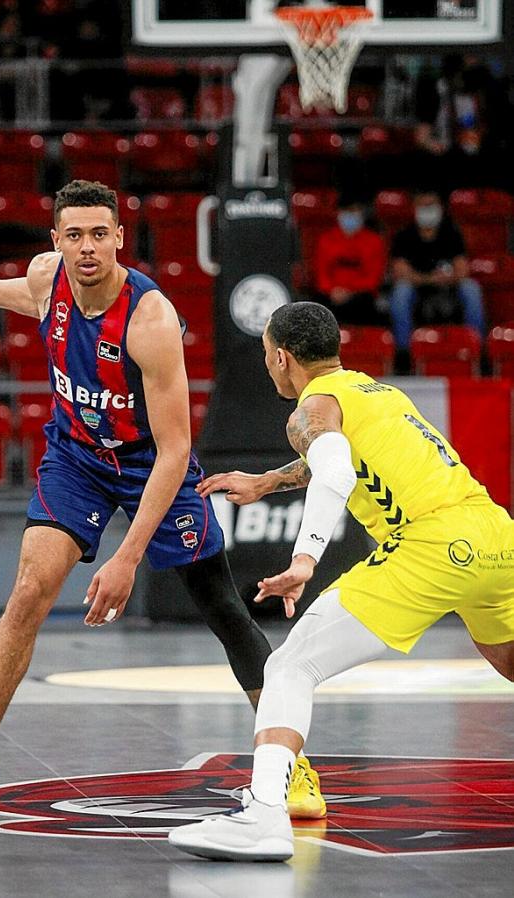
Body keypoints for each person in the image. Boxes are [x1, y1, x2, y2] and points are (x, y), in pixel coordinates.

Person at [0, 180, 324, 828]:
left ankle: (290, 760)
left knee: (224, 609)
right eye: (74, 235)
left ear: (119, 238)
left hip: (150, 464)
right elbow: (26, 296)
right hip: (77, 458)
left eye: (98, 234)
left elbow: (175, 453)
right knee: (29, 591)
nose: (86, 247)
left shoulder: (149, 320)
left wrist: (126, 558)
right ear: (56, 241)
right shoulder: (46, 279)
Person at [168, 301, 514, 861]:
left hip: (432, 547)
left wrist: (304, 560)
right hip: (497, 535)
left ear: (281, 357)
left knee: (289, 666)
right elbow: (332, 456)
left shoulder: (308, 408)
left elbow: (334, 469)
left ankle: (262, 816)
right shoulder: (376, 393)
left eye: (265, 356)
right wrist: (267, 482)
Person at [388, 190, 485, 366]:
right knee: (401, 291)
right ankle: (403, 354)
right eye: (422, 206)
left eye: (431, 205)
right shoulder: (404, 235)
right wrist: (429, 278)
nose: (427, 210)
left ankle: (478, 348)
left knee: (471, 288)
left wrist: (448, 278)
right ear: (414, 208)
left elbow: (462, 270)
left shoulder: (451, 233)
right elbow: (400, 272)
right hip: (417, 290)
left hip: (449, 288)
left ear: (440, 208)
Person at [313, 198, 387, 326]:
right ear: (338, 213)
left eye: (354, 211)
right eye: (346, 211)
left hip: (360, 296)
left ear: (362, 213)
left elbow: (373, 279)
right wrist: (333, 290)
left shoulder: (374, 241)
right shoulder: (326, 239)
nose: (349, 215)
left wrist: (349, 291)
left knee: (365, 302)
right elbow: (321, 275)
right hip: (331, 295)